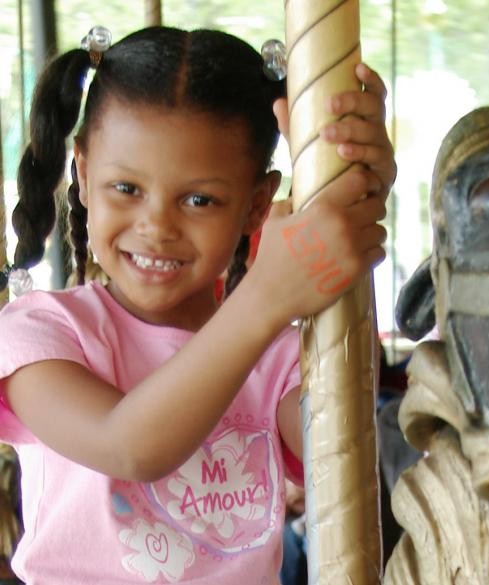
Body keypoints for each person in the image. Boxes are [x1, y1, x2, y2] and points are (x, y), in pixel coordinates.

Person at [0, 25, 394, 584]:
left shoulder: (278, 357)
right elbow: (127, 445)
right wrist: (264, 297)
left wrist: (350, 194)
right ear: (83, 176)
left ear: (257, 206)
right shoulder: (40, 333)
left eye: (199, 199)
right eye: (126, 189)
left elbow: (341, 456)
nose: (157, 226)